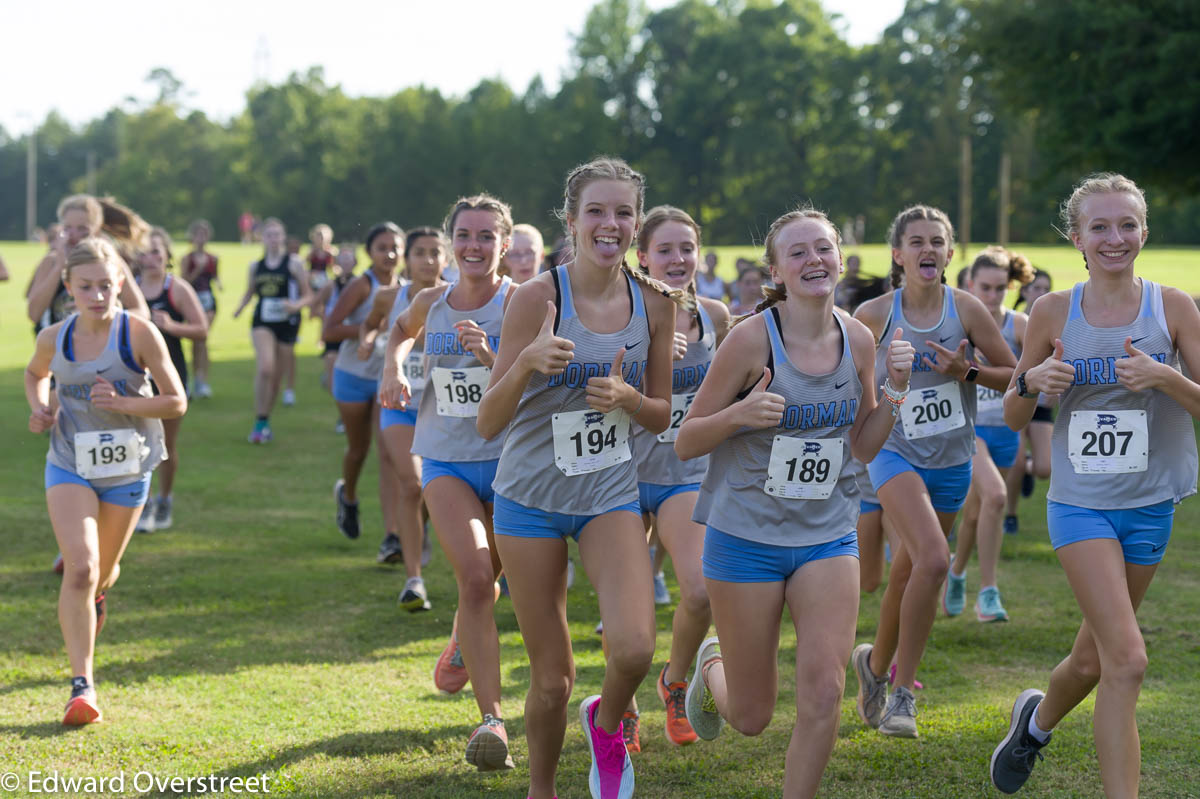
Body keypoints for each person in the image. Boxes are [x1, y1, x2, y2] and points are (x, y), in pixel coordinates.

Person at [674, 207, 914, 799]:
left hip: (827, 534)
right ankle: (712, 666)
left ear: (839, 257)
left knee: (826, 692)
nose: (814, 261)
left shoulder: (858, 337)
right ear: (776, 270)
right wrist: (738, 415)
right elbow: (686, 441)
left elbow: (860, 446)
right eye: (798, 252)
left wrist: (895, 394)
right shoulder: (749, 340)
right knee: (752, 717)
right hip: (745, 539)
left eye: (824, 249)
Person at [990, 174, 1200, 796]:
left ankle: (1034, 723)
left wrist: (1164, 377)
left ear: (1144, 231)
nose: (1116, 238)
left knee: (1091, 658)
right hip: (1081, 506)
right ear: (1076, 237)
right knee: (1127, 660)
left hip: (1151, 503)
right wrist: (1033, 384)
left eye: (1127, 225)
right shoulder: (1053, 313)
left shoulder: (1176, 308)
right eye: (1101, 227)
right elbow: (1013, 412)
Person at [477, 157, 679, 799]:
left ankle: (608, 722)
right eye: (596, 210)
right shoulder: (538, 297)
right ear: (572, 220)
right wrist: (527, 363)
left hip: (609, 495)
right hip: (528, 501)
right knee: (552, 678)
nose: (610, 224)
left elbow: (661, 415)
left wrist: (627, 399)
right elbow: (487, 421)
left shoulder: (654, 302)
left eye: (623, 212)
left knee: (635, 648)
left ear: (636, 223)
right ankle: (542, 788)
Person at [850, 205, 1016, 739]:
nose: (927, 250)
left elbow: (1013, 376)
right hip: (894, 453)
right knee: (935, 559)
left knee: (912, 570)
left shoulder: (966, 309)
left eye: (937, 242)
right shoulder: (874, 316)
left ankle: (873, 667)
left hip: (952, 459)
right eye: (916, 242)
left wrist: (963, 369)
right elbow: (845, 383)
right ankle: (902, 693)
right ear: (897, 254)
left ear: (950, 253)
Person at [379, 195, 517, 772]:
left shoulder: (523, 305)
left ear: (504, 245)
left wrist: (490, 357)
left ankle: (463, 637)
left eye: (487, 236)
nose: (474, 246)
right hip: (446, 459)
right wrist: (392, 369)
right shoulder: (429, 301)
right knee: (478, 575)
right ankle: (493, 721)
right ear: (450, 239)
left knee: (491, 582)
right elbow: (400, 334)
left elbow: (541, 381)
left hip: (513, 461)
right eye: (464, 234)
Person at [25, 237, 185, 725]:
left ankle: (95, 596)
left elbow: (176, 401)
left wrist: (124, 404)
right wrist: (39, 407)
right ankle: (82, 687)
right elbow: (36, 374)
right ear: (68, 289)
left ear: (120, 282)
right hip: (69, 463)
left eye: (105, 285)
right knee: (80, 568)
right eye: (85, 287)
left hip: (128, 469)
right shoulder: (55, 337)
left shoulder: (138, 334)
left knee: (101, 574)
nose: (97, 295)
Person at [630, 205, 731, 749]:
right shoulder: (618, 314)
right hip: (616, 473)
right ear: (641, 256)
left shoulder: (715, 316)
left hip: (681, 472)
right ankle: (620, 706)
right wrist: (646, 358)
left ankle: (675, 680)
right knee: (625, 612)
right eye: (664, 250)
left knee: (698, 592)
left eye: (686, 249)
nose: (677, 259)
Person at [943, 247, 1034, 622]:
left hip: (1007, 430)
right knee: (996, 497)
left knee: (978, 513)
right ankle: (988, 594)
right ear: (969, 284)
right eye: (986, 287)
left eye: (1000, 288)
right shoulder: (958, 324)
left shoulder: (1020, 325)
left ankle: (957, 572)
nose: (993, 296)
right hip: (970, 429)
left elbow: (1032, 377)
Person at [367, 226, 447, 593]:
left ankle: (419, 527)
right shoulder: (389, 296)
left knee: (430, 490)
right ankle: (414, 580)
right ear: (407, 258)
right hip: (399, 406)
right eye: (419, 252)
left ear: (446, 258)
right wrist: (368, 341)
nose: (428, 260)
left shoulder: (459, 298)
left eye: (435, 252)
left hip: (443, 409)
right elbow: (370, 326)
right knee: (412, 485)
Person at [324, 224, 404, 548]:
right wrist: (368, 327)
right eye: (382, 247)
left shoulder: (407, 288)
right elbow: (329, 330)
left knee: (388, 454)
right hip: (353, 376)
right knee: (359, 450)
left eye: (396, 248)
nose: (390, 254)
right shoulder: (362, 285)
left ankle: (392, 536)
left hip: (386, 379)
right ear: (369, 253)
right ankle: (349, 495)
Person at [134, 229, 209, 533]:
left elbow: (202, 329)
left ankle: (165, 498)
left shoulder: (177, 288)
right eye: (144, 252)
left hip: (171, 376)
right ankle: (144, 502)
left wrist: (172, 326)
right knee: (137, 443)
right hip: (135, 377)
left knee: (165, 444)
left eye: (156, 252)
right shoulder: (131, 290)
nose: (150, 258)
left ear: (167, 255)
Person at [231, 218, 312, 443]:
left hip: (287, 323)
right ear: (263, 238)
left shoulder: (294, 263)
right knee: (266, 367)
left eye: (277, 234)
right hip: (262, 321)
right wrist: (239, 308)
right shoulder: (256, 266)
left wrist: (295, 305)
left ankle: (264, 420)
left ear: (283, 238)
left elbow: (308, 295)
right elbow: (250, 291)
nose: (274, 239)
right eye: (269, 235)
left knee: (276, 378)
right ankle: (259, 420)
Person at [27, 195, 150, 333]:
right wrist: (59, 267)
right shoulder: (51, 262)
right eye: (68, 228)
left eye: (82, 229)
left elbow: (142, 312)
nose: (74, 236)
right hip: (59, 348)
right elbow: (33, 314)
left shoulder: (111, 263)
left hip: (102, 347)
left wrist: (107, 314)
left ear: (96, 231)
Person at [1005, 268, 1055, 532]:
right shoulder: (1014, 322)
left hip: (1043, 401)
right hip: (1019, 396)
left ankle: (1028, 467)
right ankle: (1010, 515)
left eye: (1046, 288)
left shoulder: (1055, 320)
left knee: (1045, 468)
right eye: (1036, 288)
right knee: (1014, 460)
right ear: (1024, 291)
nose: (1041, 293)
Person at [181, 219, 220, 398]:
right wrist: (198, 270)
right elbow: (184, 282)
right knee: (195, 342)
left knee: (202, 339)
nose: (201, 238)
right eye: (198, 234)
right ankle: (192, 379)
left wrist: (219, 283)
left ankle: (202, 380)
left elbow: (215, 278)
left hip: (208, 302)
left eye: (204, 234)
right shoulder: (187, 259)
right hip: (192, 302)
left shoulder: (213, 258)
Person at [307, 223, 336, 291]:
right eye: (318, 237)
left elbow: (332, 267)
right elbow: (305, 262)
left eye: (322, 237)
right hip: (312, 275)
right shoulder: (311, 250)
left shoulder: (330, 251)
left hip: (324, 276)